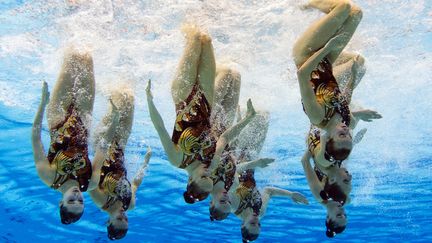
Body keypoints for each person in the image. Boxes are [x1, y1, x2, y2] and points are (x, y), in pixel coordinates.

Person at [146, 25, 257, 203]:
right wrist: (248, 119)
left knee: (195, 37)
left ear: (191, 180)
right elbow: (226, 137)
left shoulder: (177, 160)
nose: (209, 175)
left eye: (204, 178)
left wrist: (149, 101)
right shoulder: (210, 160)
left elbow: (160, 128)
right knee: (206, 39)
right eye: (210, 179)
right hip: (206, 99)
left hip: (184, 97)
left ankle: (164, 27)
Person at [292, 0, 381, 166]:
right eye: (349, 137)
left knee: (343, 8)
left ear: (329, 138)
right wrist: (353, 76)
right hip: (327, 62)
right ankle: (323, 19)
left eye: (342, 136)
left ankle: (308, 4)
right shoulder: (346, 121)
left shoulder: (317, 116)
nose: (347, 132)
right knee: (356, 14)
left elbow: (302, 74)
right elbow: (344, 100)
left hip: (306, 55)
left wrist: (326, 48)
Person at [32, 50, 95, 224]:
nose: (76, 196)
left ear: (61, 202)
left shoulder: (48, 176)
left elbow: (36, 139)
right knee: (88, 59)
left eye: (71, 201)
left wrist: (43, 103)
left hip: (57, 118)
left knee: (72, 57)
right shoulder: (87, 181)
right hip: (83, 120)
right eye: (81, 201)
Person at [88, 90, 151, 240]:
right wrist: (146, 162)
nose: (123, 216)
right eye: (126, 220)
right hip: (120, 147)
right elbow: (135, 183)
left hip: (101, 143)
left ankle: (109, 83)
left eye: (119, 220)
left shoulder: (100, 200)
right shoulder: (130, 204)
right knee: (129, 100)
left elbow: (90, 174)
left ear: (109, 221)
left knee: (115, 107)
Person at [209, 111, 274, 222]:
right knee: (263, 117)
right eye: (228, 202)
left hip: (223, 145)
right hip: (240, 158)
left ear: (212, 203)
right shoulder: (231, 187)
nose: (227, 198)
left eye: (223, 201)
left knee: (221, 116)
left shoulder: (206, 182)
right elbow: (235, 166)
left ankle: (245, 113)